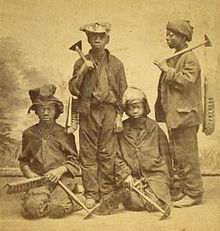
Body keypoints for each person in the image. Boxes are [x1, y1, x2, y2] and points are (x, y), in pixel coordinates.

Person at [68, 22, 127, 208]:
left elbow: (122, 92)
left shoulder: (117, 64)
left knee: (108, 153)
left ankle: (107, 192)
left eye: (101, 37)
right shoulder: (80, 62)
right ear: (87, 39)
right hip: (88, 111)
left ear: (107, 39)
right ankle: (92, 193)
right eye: (93, 37)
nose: (97, 40)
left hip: (109, 111)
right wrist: (83, 70)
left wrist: (119, 116)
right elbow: (73, 89)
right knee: (88, 154)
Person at [153, 19, 203, 207]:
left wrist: (166, 69)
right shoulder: (177, 56)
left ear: (183, 36)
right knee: (178, 154)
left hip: (185, 117)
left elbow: (187, 81)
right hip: (175, 116)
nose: (167, 37)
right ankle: (184, 188)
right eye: (167, 34)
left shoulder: (189, 58)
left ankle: (195, 192)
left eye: (171, 34)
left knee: (187, 155)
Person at [18, 84, 84, 219]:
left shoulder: (65, 134)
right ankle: (41, 199)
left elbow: (74, 160)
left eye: (50, 109)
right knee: (32, 211)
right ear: (36, 111)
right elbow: (23, 161)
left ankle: (76, 199)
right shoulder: (29, 133)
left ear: (56, 111)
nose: (46, 113)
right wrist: (30, 174)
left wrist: (60, 170)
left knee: (56, 211)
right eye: (42, 109)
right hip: (39, 180)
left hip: (62, 179)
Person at [115, 87, 171, 212]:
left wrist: (168, 176)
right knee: (134, 203)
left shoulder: (153, 127)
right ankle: (141, 195)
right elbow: (117, 155)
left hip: (155, 174)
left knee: (157, 201)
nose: (134, 110)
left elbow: (165, 152)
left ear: (144, 107)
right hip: (132, 178)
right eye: (131, 108)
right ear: (126, 110)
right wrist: (126, 175)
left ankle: (152, 196)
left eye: (138, 107)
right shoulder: (122, 129)